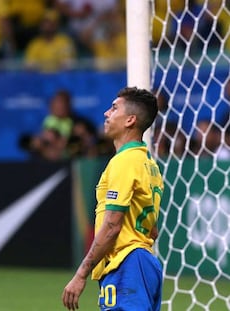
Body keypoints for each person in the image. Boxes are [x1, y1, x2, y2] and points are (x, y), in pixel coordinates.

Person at [62, 87, 164, 310]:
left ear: (130, 120)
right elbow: (152, 231)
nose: (107, 113)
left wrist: (81, 274)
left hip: (127, 263)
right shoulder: (149, 165)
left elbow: (112, 226)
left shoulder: (124, 162)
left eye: (114, 108)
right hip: (144, 263)